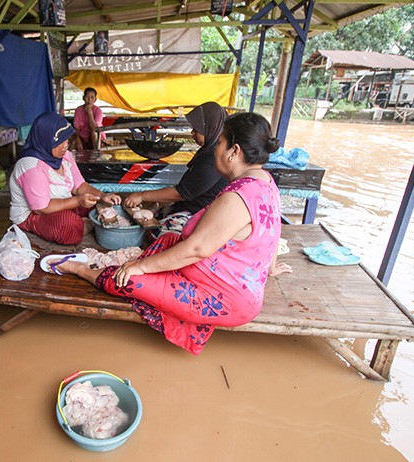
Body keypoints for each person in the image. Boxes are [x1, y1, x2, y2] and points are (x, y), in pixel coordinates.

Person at [51, 112, 292, 354]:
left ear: (234, 151)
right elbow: (273, 230)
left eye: (219, 142)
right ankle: (142, 270)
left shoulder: (236, 198)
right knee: (168, 239)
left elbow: (197, 249)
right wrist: (269, 268)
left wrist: (141, 267)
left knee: (126, 280)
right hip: (235, 285)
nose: (216, 148)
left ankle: (77, 267)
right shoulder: (265, 181)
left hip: (223, 298)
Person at [9, 112, 121, 245]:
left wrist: (102, 195)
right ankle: (87, 225)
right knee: (67, 225)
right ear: (44, 139)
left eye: (66, 139)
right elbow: (41, 208)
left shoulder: (65, 156)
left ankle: (83, 221)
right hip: (33, 215)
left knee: (100, 203)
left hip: (62, 204)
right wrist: (79, 201)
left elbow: (79, 186)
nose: (65, 145)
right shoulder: (30, 166)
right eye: (58, 141)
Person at [124, 102, 229, 237]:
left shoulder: (213, 158)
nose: (192, 133)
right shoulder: (210, 150)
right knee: (155, 214)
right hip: (191, 206)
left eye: (196, 129)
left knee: (160, 234)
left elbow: (180, 193)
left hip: (200, 213)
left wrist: (141, 195)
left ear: (209, 127)